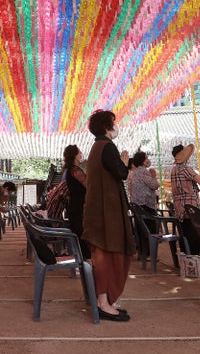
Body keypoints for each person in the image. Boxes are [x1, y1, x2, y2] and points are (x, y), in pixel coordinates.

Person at [82, 110, 134, 322]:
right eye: (114, 122)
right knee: (104, 257)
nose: (116, 125)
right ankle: (103, 303)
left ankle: (105, 300)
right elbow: (122, 174)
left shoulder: (97, 147)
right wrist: (124, 162)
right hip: (105, 213)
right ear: (106, 126)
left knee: (104, 255)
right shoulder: (107, 147)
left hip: (99, 211)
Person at [171, 144, 200, 255]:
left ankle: (185, 259)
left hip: (179, 207)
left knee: (184, 235)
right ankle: (193, 259)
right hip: (190, 206)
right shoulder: (186, 169)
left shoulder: (173, 170)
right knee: (194, 236)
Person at [62, 144, 90, 259]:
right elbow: (89, 185)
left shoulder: (69, 170)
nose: (81, 154)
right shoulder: (75, 170)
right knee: (82, 234)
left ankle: (82, 260)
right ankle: (84, 262)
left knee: (79, 234)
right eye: (79, 152)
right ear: (75, 156)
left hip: (75, 206)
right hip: (79, 207)